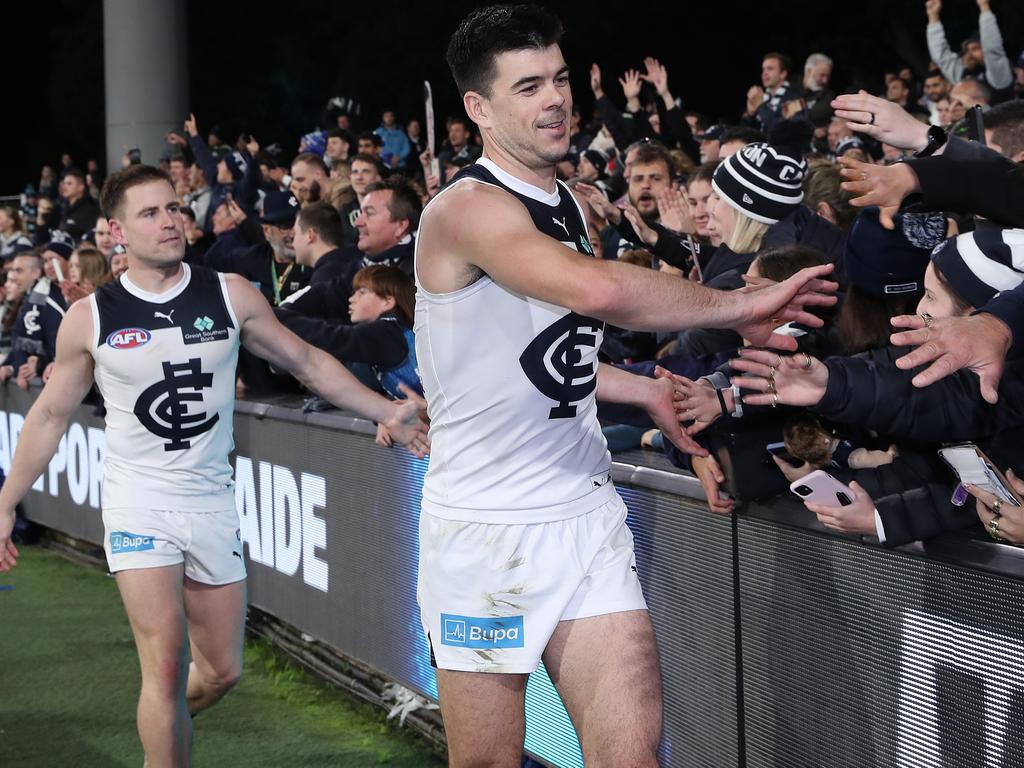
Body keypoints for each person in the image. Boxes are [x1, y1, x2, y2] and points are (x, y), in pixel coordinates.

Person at [416, 7, 836, 765]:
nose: (555, 101)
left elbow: (545, 355)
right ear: (478, 108)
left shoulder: (574, 203)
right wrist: (742, 304)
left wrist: (644, 392)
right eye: (528, 87)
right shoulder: (464, 211)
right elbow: (600, 293)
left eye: (560, 80)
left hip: (583, 511)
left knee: (631, 756)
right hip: (485, 530)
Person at [0, 164, 428, 768]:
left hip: (212, 502)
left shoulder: (229, 293)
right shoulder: (92, 317)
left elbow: (308, 362)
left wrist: (388, 409)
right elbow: (46, 416)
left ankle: (164, 719)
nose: (170, 220)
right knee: (167, 661)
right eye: (150, 213)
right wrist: (5, 499)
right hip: (137, 502)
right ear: (117, 231)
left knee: (221, 671)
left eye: (174, 208)